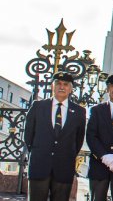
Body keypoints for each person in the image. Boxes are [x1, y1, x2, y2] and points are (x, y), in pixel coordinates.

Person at [24, 71, 87, 201]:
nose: (61, 87)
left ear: (71, 88)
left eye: (65, 84)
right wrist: (39, 152)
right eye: (58, 83)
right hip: (39, 165)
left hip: (64, 167)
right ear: (53, 86)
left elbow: (78, 139)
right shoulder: (38, 106)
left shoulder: (79, 112)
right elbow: (28, 135)